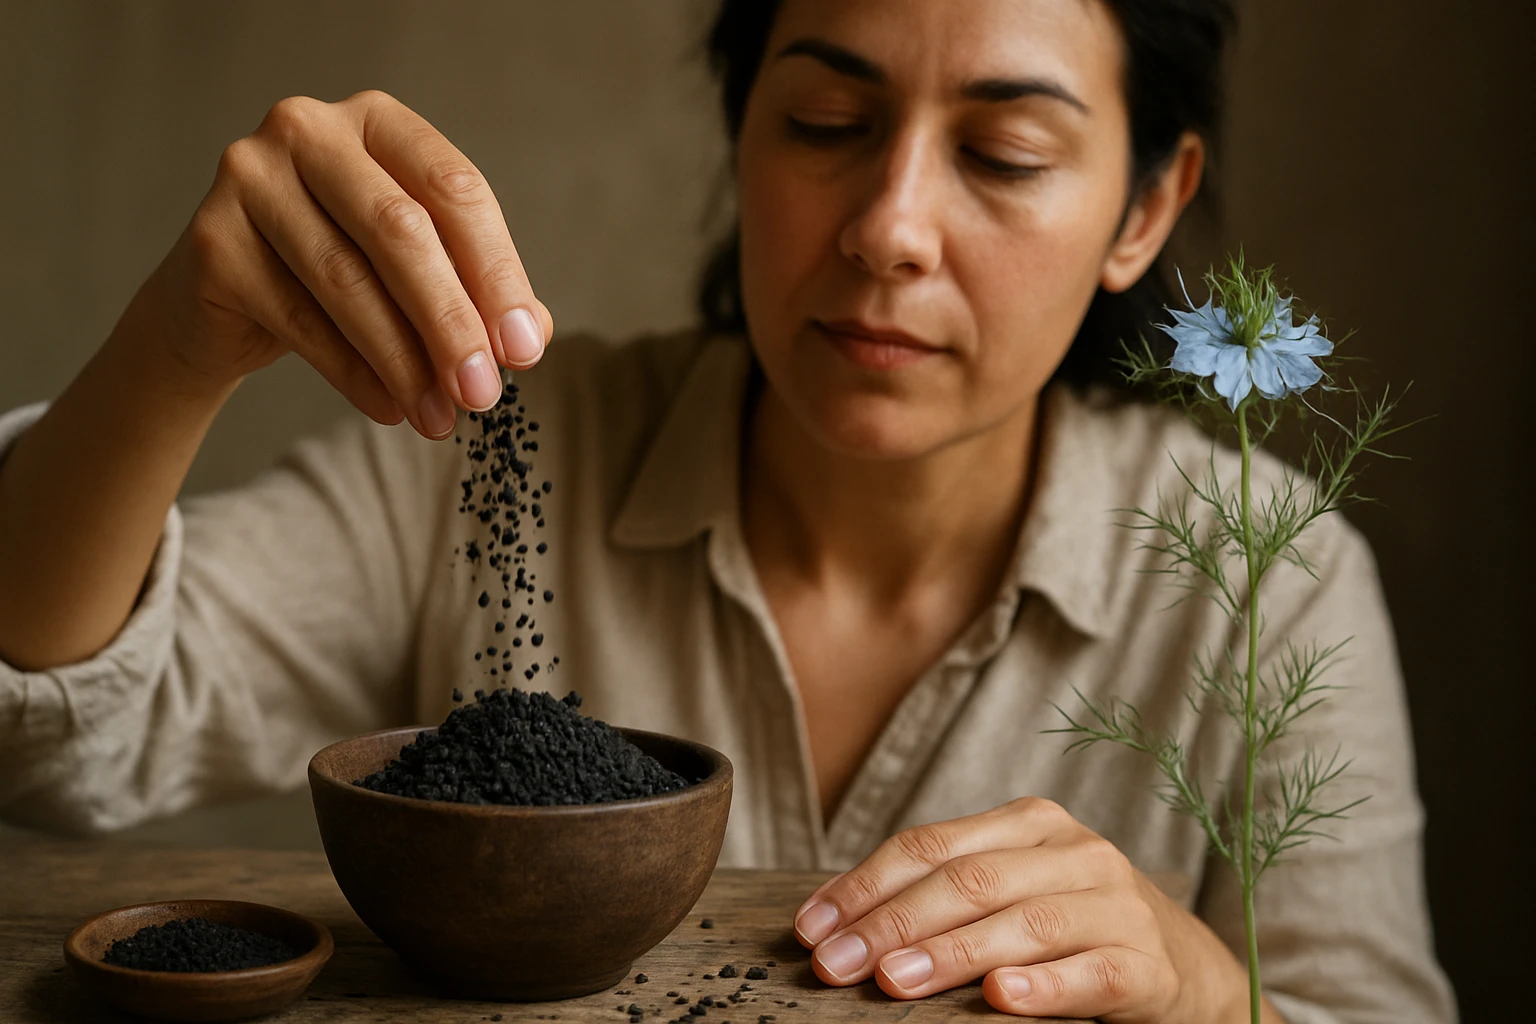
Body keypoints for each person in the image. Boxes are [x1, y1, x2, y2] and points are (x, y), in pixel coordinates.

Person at [0, 1, 1454, 1020]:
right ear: (742, 127)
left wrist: (1202, 989)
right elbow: (56, 733)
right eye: (828, 122)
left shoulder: (1267, 577)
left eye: (1003, 154)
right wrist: (176, 348)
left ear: (1144, 208)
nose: (888, 228)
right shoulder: (498, 449)